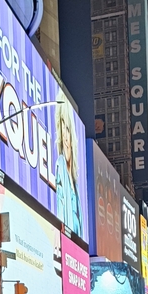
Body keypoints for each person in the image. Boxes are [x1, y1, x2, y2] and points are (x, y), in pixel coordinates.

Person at [55, 95, 82, 237]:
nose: (65, 136)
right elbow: (60, 212)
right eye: (62, 127)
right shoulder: (60, 165)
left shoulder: (76, 183)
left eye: (67, 128)